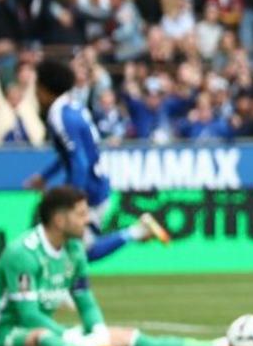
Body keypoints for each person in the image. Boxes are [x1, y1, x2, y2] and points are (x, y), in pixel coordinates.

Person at [0, 186, 234, 346]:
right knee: (45, 338)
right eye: (81, 214)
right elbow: (28, 316)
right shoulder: (23, 253)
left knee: (127, 337)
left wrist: (97, 331)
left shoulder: (74, 249)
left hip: (52, 330)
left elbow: (85, 298)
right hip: (7, 335)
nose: (89, 220)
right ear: (60, 220)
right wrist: (76, 339)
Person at [24, 60, 170, 262]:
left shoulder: (60, 115)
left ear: (45, 89)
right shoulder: (72, 107)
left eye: (37, 88)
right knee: (74, 250)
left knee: (77, 251)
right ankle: (136, 232)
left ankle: (135, 232)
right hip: (96, 186)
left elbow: (80, 162)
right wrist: (45, 176)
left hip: (90, 191)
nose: (35, 94)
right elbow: (72, 154)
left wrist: (72, 201)